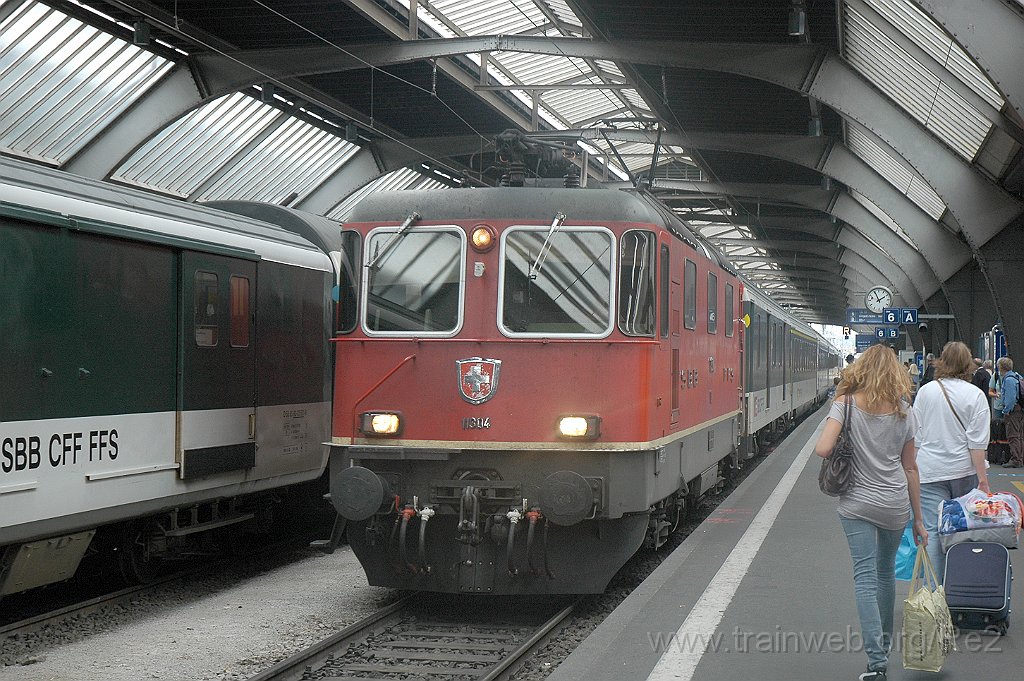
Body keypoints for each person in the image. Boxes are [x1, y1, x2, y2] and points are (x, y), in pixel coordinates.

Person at [814, 344, 926, 681]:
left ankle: (876, 663)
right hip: (894, 503)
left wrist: (845, 431)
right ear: (896, 374)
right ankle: (884, 648)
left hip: (857, 503)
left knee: (864, 578)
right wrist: (919, 520)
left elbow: (822, 448)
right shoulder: (905, 410)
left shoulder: (845, 404)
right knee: (885, 573)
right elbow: (911, 468)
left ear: (860, 371)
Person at [912, 341, 990, 581]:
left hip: (929, 472)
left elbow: (916, 436)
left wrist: (910, 471)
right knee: (963, 531)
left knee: (932, 532)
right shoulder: (976, 395)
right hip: (964, 473)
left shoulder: (926, 391)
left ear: (942, 362)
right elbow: (976, 444)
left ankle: (934, 593)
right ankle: (959, 587)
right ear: (968, 364)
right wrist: (983, 481)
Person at [998, 357, 1023, 468]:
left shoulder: (1008, 380)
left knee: (1013, 436)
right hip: (1020, 409)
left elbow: (1011, 398)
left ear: (1001, 367)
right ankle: (1020, 458)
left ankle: (1015, 459)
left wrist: (1006, 410)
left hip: (1013, 411)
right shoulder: (1018, 376)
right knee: (1020, 435)